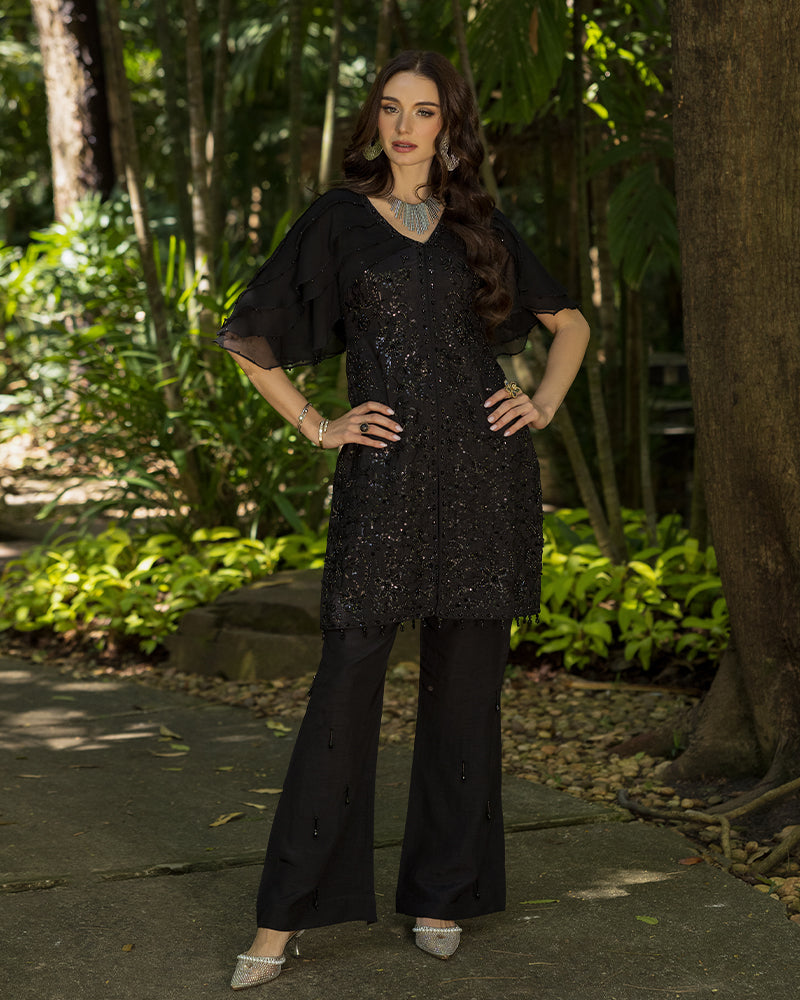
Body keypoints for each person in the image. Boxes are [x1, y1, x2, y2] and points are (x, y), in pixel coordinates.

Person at [215, 50, 590, 990]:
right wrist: (318, 424)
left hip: (483, 478)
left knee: (465, 696)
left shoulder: (479, 226)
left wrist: (541, 403)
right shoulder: (339, 220)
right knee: (344, 690)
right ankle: (281, 919)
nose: (405, 126)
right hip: (382, 478)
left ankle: (442, 894)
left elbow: (570, 323)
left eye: (424, 111)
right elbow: (248, 337)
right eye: (391, 108)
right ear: (374, 120)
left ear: (450, 126)